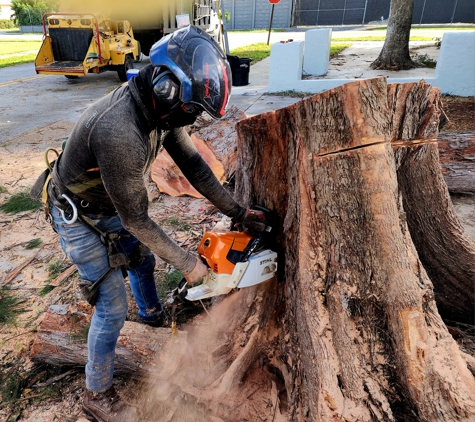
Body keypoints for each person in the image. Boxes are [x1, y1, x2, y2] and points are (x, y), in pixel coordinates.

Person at [43, 25, 266, 422]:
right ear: (166, 88)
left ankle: (151, 317)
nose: (193, 117)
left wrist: (238, 212)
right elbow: (136, 219)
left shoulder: (162, 109)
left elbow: (195, 166)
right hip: (78, 215)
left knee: (142, 262)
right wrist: (189, 265)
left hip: (110, 203)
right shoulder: (119, 131)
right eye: (192, 109)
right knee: (111, 306)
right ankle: (97, 395)